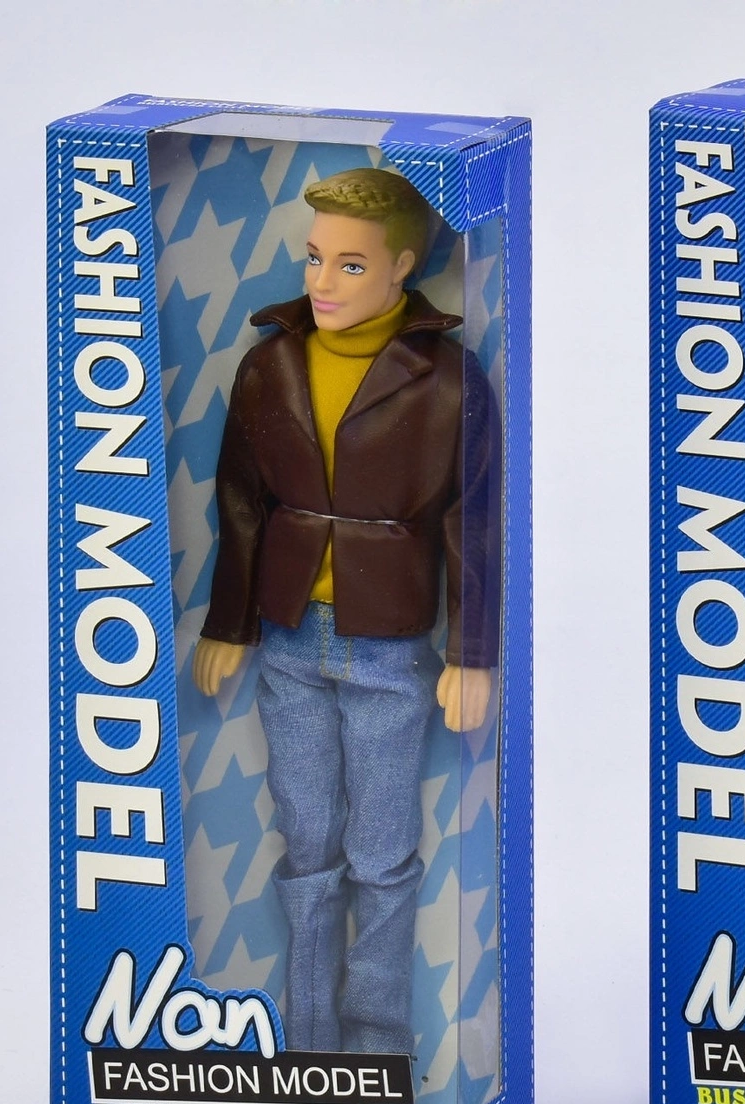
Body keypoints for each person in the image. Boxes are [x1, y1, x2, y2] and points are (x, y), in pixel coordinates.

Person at [193, 167, 497, 1056]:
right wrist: (228, 622)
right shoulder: (271, 364)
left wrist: (472, 651)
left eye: (351, 265)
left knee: (383, 855)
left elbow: (474, 520)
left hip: (390, 647)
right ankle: (310, 1044)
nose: (322, 283)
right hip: (288, 636)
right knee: (308, 844)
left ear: (402, 266)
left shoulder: (447, 381)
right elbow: (240, 502)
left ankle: (376, 1046)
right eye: (315, 258)